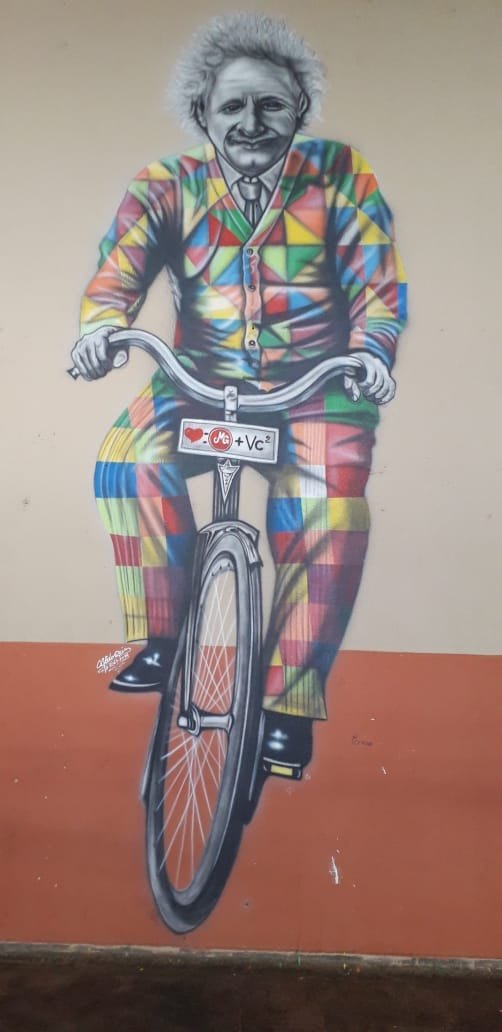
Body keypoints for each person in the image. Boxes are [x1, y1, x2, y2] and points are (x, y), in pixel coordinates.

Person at [71, 13, 407, 772]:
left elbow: (377, 284)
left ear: (300, 109)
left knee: (326, 514)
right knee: (126, 463)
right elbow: (116, 275)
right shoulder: (165, 185)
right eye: (232, 107)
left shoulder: (341, 174)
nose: (251, 123)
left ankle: (288, 708)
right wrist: (101, 329)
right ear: (203, 114)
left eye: (271, 105)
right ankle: (163, 634)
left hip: (316, 390)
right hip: (198, 384)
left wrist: (372, 351)